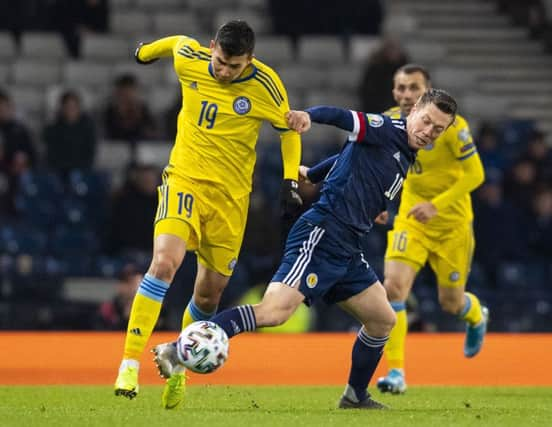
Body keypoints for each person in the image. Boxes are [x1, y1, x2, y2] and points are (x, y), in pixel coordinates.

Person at [152, 89, 459, 410]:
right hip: (322, 232)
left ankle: (355, 396)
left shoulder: (406, 151)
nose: (428, 132)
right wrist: (308, 116)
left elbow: (349, 157)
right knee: (274, 312)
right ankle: (176, 350)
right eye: (425, 121)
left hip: (348, 247)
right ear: (413, 112)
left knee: (382, 320)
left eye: (438, 129)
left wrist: (313, 174)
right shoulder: (387, 128)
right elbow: (344, 117)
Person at [113, 20, 303, 410]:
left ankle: (178, 366)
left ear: (249, 59)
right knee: (164, 263)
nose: (224, 71)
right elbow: (176, 42)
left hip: (231, 201)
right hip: (184, 181)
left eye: (234, 66)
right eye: (220, 61)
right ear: (213, 47)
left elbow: (288, 130)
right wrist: (144, 52)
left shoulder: (267, 84)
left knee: (208, 292)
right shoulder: (192, 59)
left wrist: (289, 182)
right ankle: (128, 363)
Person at [376, 64, 488, 395]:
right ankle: (396, 373)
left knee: (450, 303)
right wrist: (380, 201)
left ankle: (476, 316)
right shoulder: (389, 120)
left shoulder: (454, 128)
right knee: (393, 288)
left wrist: (436, 205)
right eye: (400, 88)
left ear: (428, 92)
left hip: (452, 223)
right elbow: (381, 166)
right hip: (411, 216)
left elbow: (475, 175)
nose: (406, 95)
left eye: (414, 88)